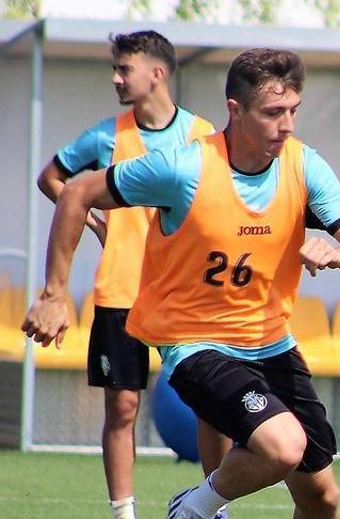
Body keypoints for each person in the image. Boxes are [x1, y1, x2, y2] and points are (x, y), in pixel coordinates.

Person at [23, 48, 340, 519]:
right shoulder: (184, 168)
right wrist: (53, 295)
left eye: (294, 110)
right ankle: (193, 509)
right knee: (283, 445)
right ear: (235, 111)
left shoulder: (304, 166)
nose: (288, 124)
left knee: (322, 500)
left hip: (272, 345)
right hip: (196, 343)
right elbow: (75, 192)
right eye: (273, 112)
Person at [34, 30, 229, 519]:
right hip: (121, 288)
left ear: (156, 74)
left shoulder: (204, 135)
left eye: (125, 69)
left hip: (186, 293)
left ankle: (214, 505)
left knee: (210, 405)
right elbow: (52, 178)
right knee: (121, 409)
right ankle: (124, 513)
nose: (116, 78)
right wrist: (93, 219)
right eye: (116, 68)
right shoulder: (106, 135)